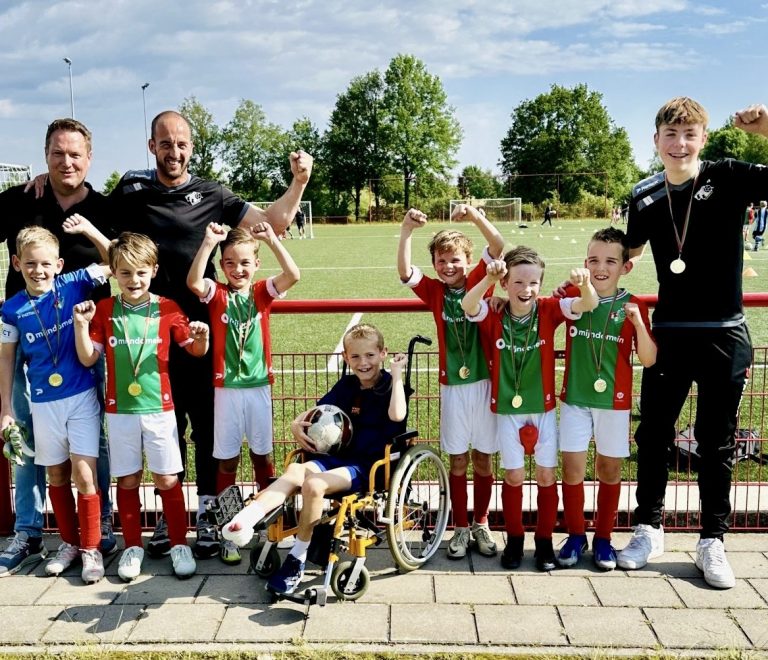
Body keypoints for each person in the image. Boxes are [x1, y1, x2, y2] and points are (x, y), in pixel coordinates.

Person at [102, 110, 313, 560]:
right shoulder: (131, 189)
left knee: (209, 434)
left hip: (204, 334)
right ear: (151, 146)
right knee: (166, 431)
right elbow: (94, 221)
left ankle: (210, 518)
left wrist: (298, 183)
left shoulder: (213, 193)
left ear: (191, 148)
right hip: (149, 336)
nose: (173, 151)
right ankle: (170, 522)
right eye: (165, 143)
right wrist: (50, 182)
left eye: (181, 144)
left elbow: (271, 223)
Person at [617, 98, 768, 589]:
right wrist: (589, 279)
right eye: (671, 134)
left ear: (703, 138)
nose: (679, 144)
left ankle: (712, 541)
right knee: (652, 435)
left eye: (689, 134)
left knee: (716, 442)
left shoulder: (728, 175)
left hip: (724, 332)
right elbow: (626, 252)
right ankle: (648, 528)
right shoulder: (643, 195)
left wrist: (766, 130)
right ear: (656, 140)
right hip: (671, 334)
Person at [0, 118, 116, 577]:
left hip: (86, 345)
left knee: (94, 444)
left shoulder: (104, 207)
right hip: (27, 343)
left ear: (89, 158)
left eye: (74, 154)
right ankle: (28, 531)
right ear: (45, 155)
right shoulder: (21, 199)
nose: (66, 162)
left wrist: (91, 232)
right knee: (25, 439)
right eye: (57, 153)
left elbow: (121, 260)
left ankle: (99, 528)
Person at [220, 323, 408, 595]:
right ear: (346, 358)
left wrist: (398, 374)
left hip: (367, 467)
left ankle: (297, 558)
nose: (363, 362)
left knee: (313, 485)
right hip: (337, 457)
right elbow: (318, 411)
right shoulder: (347, 385)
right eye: (355, 356)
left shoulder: (391, 386)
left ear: (383, 353)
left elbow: (397, 415)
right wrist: (296, 424)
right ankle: (245, 520)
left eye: (369, 355)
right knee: (295, 472)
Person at [72, 232, 210, 581]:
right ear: (114, 273)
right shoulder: (105, 310)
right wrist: (81, 327)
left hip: (159, 410)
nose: (133, 280)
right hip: (120, 411)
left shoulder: (168, 308)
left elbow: (195, 350)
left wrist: (203, 337)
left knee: (167, 478)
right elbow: (88, 358)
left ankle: (179, 543)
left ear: (154, 271)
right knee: (129, 479)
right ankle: (132, 546)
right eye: (125, 273)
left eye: (141, 273)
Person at [461, 246, 597, 570]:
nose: (526, 289)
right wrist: (487, 281)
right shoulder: (494, 313)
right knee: (514, 475)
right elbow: (467, 305)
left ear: (541, 284)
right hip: (507, 412)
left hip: (543, 409)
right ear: (505, 284)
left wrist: (585, 284)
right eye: (518, 282)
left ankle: (544, 542)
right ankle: (515, 540)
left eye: (533, 282)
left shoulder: (548, 309)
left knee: (547, 475)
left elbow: (588, 303)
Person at [186, 221, 300, 565]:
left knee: (262, 457)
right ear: (222, 266)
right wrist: (209, 242)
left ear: (256, 265)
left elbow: (293, 274)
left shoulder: (262, 292)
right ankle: (228, 531)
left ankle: (267, 524)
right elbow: (194, 282)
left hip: (258, 388)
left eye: (245, 262)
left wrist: (272, 239)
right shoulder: (217, 294)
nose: (238, 269)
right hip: (227, 390)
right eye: (230, 263)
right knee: (227, 460)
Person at [397, 205, 504, 560]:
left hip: (484, 384)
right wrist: (406, 231)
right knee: (458, 460)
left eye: (455, 260)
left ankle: (481, 523)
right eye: (441, 261)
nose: (448, 267)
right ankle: (460, 526)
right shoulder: (435, 292)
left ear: (469, 261)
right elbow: (405, 272)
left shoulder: (478, 282)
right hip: (452, 388)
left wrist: (475, 217)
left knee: (483, 460)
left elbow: (498, 245)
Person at [557, 228, 656, 571]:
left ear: (625, 267)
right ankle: (575, 535)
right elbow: (538, 310)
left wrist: (638, 324)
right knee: (572, 469)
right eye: (594, 260)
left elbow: (649, 359)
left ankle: (603, 538)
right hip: (575, 399)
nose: (601, 268)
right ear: (585, 263)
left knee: (609, 469)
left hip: (614, 402)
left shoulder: (634, 305)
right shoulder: (573, 295)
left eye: (611, 261)